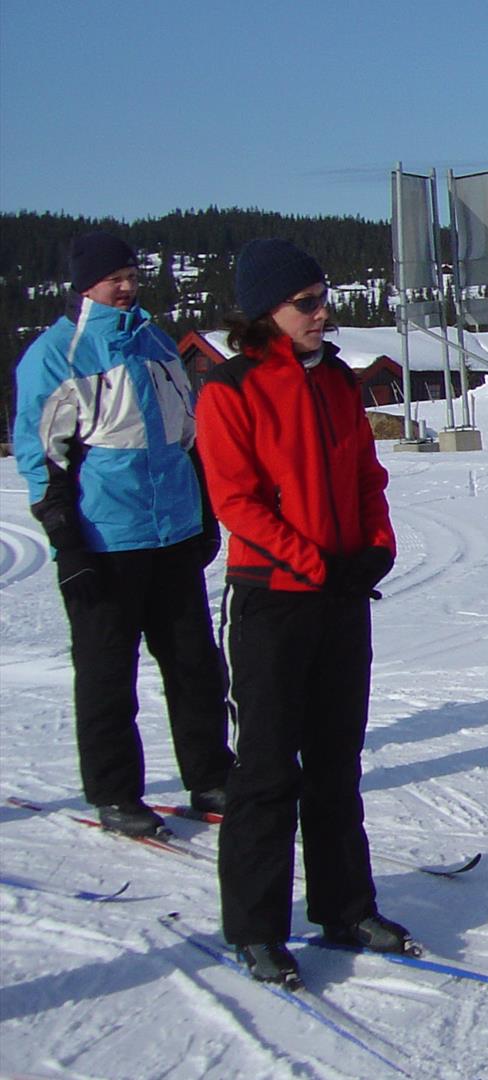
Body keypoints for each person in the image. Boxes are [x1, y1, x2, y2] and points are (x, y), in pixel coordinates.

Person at [195, 238, 409, 986]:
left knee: (335, 763)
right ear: (266, 312)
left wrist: (375, 546)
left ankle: (344, 905)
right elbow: (237, 503)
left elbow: (366, 477)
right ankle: (256, 925)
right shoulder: (231, 389)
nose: (323, 313)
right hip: (274, 603)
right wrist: (316, 563)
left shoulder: (342, 385)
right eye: (306, 303)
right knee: (264, 770)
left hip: (342, 600)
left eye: (324, 298)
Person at [11, 231, 232, 837]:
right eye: (116, 278)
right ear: (85, 284)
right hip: (105, 542)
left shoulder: (155, 342)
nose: (129, 286)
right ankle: (115, 792)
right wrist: (68, 544)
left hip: (171, 537)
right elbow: (41, 460)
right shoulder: (57, 355)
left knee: (195, 666)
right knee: (110, 674)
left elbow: (186, 439)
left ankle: (211, 775)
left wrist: (203, 516)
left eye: (133, 275)